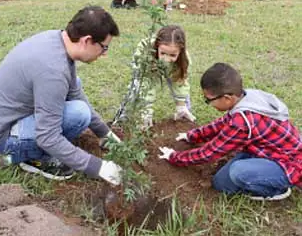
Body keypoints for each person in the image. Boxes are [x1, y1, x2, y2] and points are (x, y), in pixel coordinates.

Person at [0, 6, 123, 184]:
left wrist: (105, 134)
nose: (104, 54)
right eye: (104, 48)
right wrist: (97, 167)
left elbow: (75, 93)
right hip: (4, 138)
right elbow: (47, 137)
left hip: (1, 121)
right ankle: (33, 159)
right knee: (78, 115)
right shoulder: (53, 71)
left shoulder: (56, 40)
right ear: (87, 41)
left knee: (77, 92)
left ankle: (29, 147)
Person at [159, 63, 302, 201]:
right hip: (266, 152)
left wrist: (175, 157)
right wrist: (192, 136)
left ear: (227, 98)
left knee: (238, 172)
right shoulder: (244, 98)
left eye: (208, 100)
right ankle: (260, 171)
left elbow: (209, 152)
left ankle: (277, 189)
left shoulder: (243, 122)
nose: (208, 104)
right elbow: (220, 124)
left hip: (289, 164)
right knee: (221, 184)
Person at [116, 25, 194, 129]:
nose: (166, 59)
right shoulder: (145, 52)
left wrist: (181, 105)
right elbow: (145, 82)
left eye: (172, 55)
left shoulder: (184, 60)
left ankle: (184, 122)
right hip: (147, 70)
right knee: (135, 90)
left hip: (172, 69)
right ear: (157, 46)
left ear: (181, 52)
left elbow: (180, 82)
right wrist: (147, 108)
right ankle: (121, 121)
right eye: (163, 53)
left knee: (184, 101)